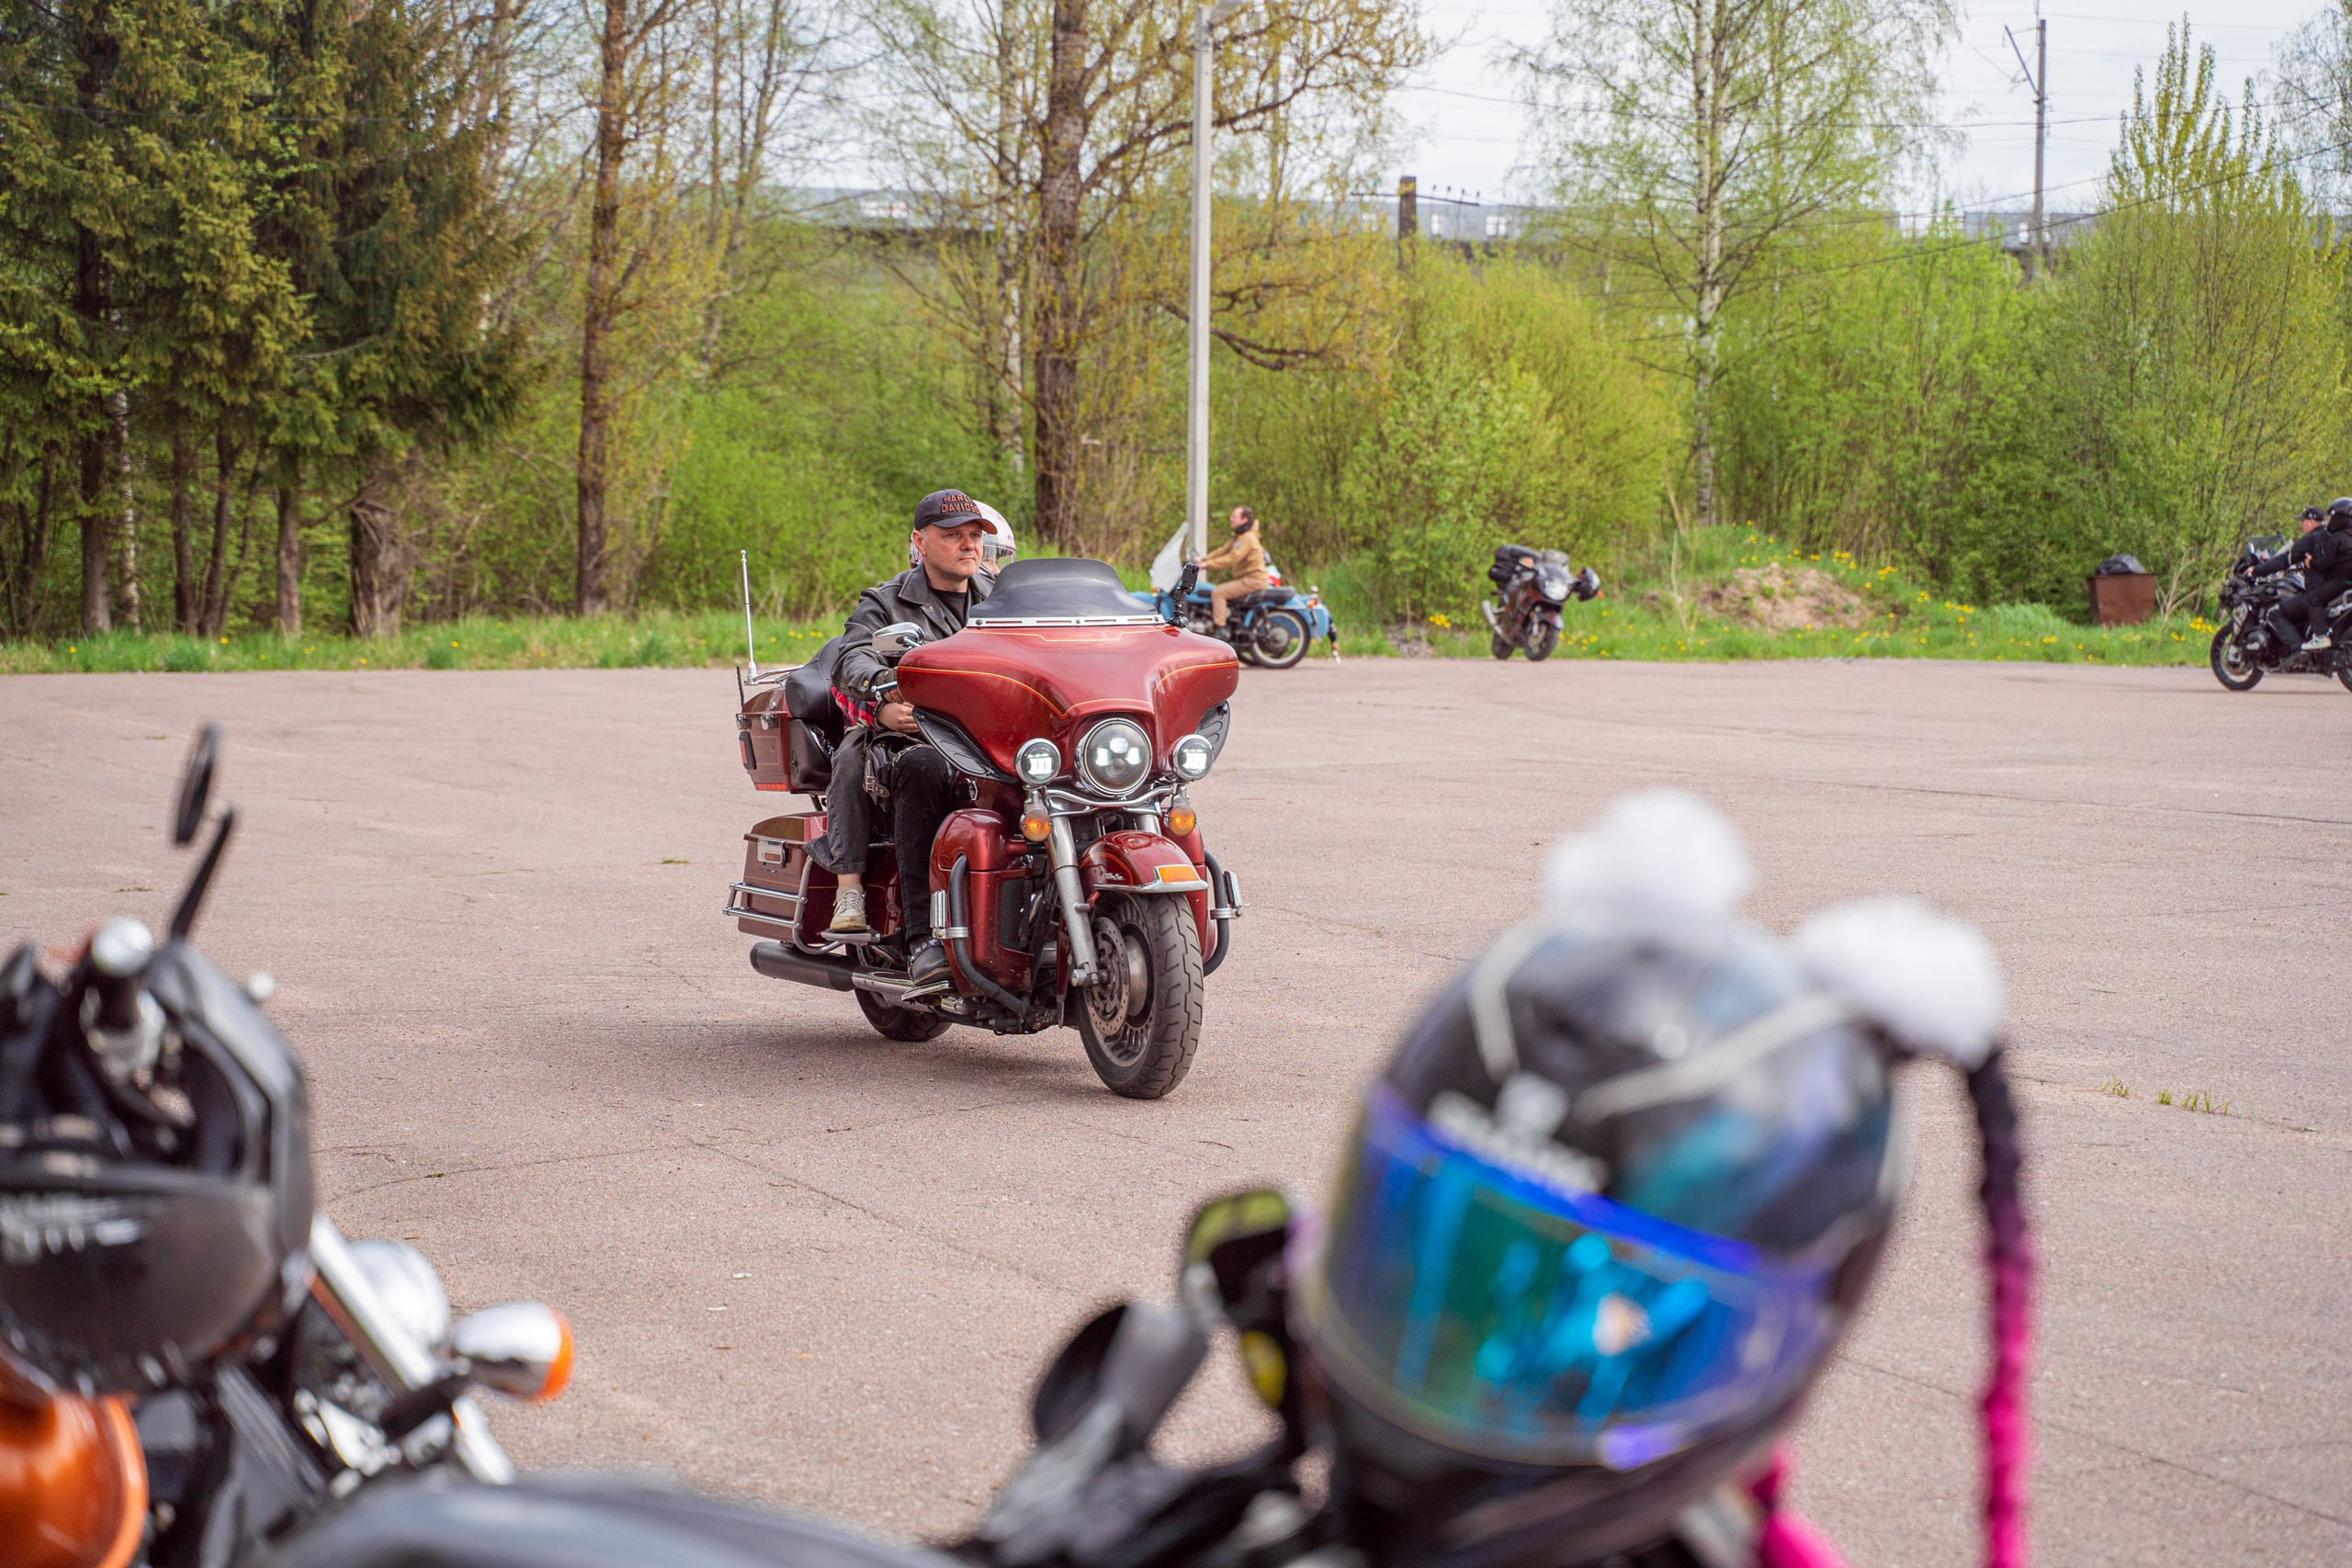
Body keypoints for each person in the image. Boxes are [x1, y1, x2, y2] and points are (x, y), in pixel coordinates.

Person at [809, 490, 997, 994]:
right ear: (919, 540)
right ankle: (923, 941)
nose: (968, 545)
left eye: (975, 536)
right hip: (909, 739)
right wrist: (882, 695)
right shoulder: (886, 601)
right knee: (924, 769)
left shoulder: (1003, 599)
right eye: (952, 535)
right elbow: (852, 658)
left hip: (996, 738)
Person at [2249, 495, 2352, 653]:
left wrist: (2257, 570)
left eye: (2302, 521)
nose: (2301, 526)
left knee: (2275, 613)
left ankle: (2298, 652)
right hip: (2339, 589)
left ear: (2311, 522)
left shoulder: (2313, 538)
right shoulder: (2338, 535)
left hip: (2322, 589)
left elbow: (2284, 560)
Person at [1193, 505, 1269, 636]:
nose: (1231, 519)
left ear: (1244, 520)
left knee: (1218, 593)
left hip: (1253, 580)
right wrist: (1203, 560)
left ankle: (1220, 630)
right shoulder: (1240, 536)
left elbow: (1232, 558)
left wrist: (1206, 565)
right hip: (1248, 578)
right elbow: (1223, 550)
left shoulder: (1247, 538)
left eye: (1234, 517)